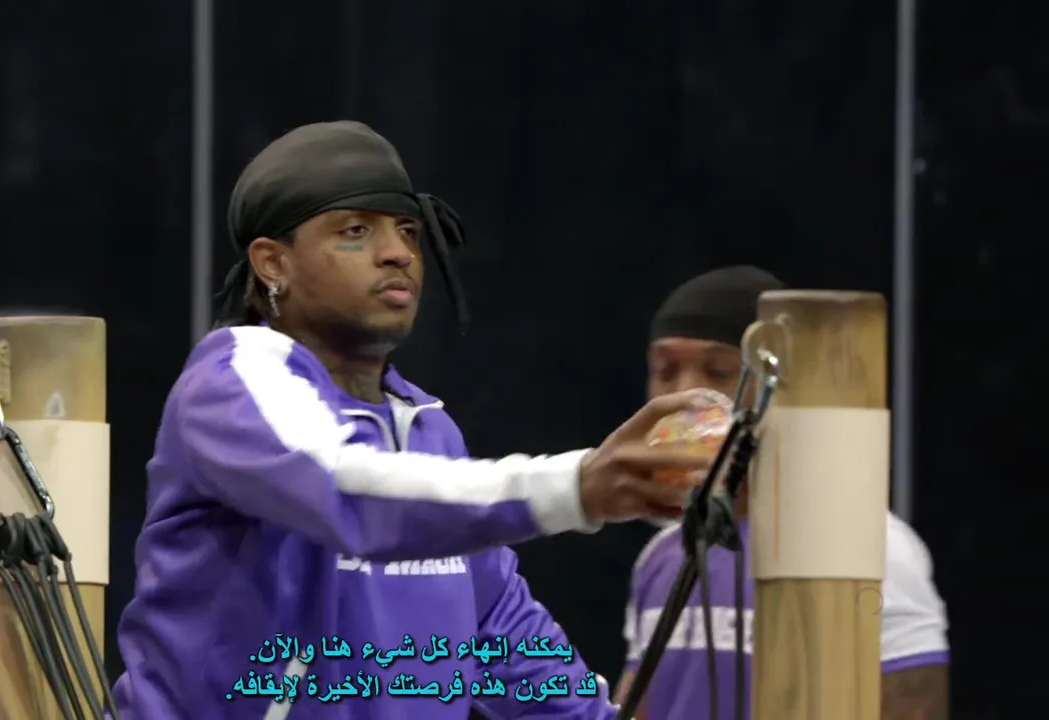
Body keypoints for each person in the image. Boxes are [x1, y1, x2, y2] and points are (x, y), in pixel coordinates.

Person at [111, 121, 711, 719]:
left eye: (407, 231)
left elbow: (499, 628)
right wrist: (577, 486)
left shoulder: (428, 427)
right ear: (273, 263)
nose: (398, 252)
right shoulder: (233, 379)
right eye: (355, 230)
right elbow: (342, 488)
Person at [614, 266, 950, 719]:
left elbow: (915, 708)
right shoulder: (663, 554)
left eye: (718, 371)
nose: (686, 394)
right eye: (665, 371)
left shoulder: (872, 549)